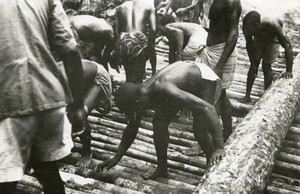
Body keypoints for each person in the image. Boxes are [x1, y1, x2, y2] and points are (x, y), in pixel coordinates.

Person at [0, 0, 86, 194]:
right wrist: (77, 106)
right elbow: (72, 51)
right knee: (47, 167)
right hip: (49, 95)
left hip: (11, 99)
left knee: (4, 180)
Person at [96, 61, 225, 180]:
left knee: (200, 130)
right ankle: (162, 168)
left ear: (137, 103)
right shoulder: (139, 94)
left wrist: (219, 147)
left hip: (204, 78)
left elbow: (209, 109)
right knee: (159, 124)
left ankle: (212, 163)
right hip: (183, 78)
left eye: (127, 112)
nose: (128, 115)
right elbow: (132, 127)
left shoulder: (164, 89)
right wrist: (116, 158)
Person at [175, 0, 240, 156]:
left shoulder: (230, 2)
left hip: (220, 53)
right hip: (212, 49)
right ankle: (227, 133)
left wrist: (219, 64)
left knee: (210, 98)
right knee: (221, 94)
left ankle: (205, 141)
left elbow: (234, 32)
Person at [59, 59, 112, 167]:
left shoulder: (58, 83)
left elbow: (76, 111)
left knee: (78, 115)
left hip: (97, 76)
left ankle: (87, 153)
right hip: (78, 78)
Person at [241, 11, 293, 103]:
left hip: (273, 37)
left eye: (250, 31)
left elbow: (287, 46)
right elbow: (249, 44)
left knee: (266, 65)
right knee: (254, 64)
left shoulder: (273, 24)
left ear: (257, 25)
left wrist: (289, 70)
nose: (248, 33)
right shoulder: (247, 27)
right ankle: (247, 96)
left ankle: (265, 95)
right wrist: (252, 62)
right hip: (260, 37)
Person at [113, 0, 157, 77]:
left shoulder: (119, 8)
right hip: (138, 39)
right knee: (138, 79)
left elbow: (116, 32)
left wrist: (117, 52)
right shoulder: (148, 7)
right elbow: (153, 29)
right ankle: (154, 73)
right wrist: (150, 49)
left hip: (124, 39)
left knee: (129, 75)